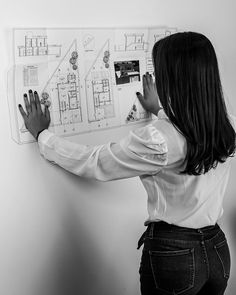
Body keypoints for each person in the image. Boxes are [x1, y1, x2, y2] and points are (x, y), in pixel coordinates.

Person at [19, 32, 236, 295]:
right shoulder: (228, 125)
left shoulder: (159, 140)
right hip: (217, 253)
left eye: (160, 72)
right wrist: (158, 110)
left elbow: (95, 161)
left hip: (176, 256)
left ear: (174, 80)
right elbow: (189, 132)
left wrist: (43, 136)